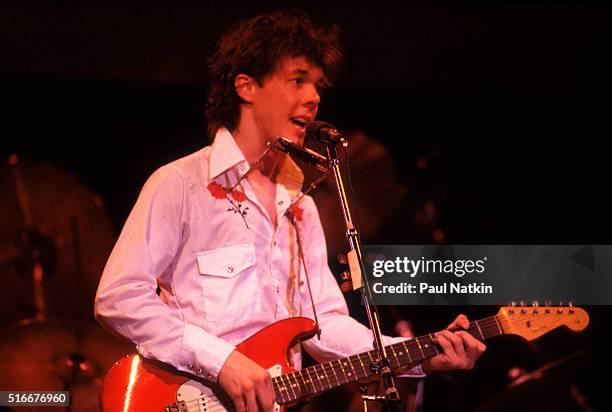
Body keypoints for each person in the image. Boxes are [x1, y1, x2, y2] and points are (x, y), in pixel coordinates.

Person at [94, 10, 486, 412]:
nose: (314, 97)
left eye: (317, 85)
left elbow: (326, 328)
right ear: (246, 86)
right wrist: (222, 360)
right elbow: (119, 297)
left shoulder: (301, 206)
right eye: (298, 79)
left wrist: (418, 354)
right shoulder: (181, 184)